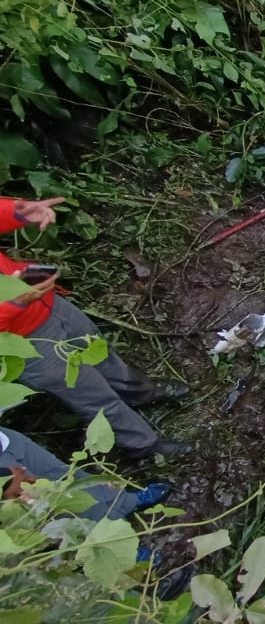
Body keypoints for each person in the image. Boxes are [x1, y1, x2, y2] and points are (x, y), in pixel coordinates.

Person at [1, 197, 190, 459]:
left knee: (99, 352)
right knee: (92, 395)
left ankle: (142, 394)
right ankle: (144, 446)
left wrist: (16, 210)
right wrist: (13, 304)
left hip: (44, 302)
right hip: (22, 341)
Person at [0, 426, 169, 520]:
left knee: (67, 476)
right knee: (54, 505)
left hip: (5, 442)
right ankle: (122, 551)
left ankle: (125, 502)